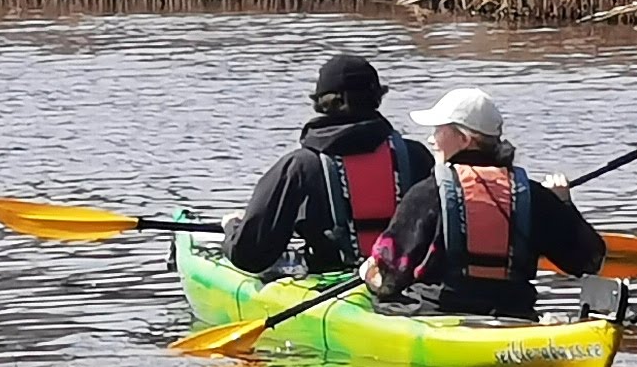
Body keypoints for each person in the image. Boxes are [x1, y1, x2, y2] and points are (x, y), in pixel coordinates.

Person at [363, 88, 606, 319]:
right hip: (513, 315)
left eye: (439, 130)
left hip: (438, 316)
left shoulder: (426, 194)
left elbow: (387, 279)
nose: (431, 139)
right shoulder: (533, 196)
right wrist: (563, 203)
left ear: (464, 139)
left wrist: (368, 271)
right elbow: (590, 261)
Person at [221, 53, 434, 277]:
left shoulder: (300, 167)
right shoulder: (416, 156)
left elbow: (249, 256)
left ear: (321, 103)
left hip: (331, 280)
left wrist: (232, 228)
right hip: (403, 280)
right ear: (377, 98)